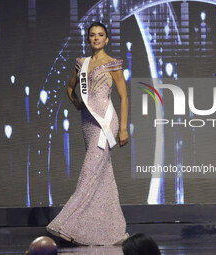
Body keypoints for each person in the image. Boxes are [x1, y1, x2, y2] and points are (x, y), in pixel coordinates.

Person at [46, 21, 129, 246]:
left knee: (89, 171)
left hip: (106, 122)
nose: (96, 38)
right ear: (88, 39)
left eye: (100, 35)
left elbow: (124, 96)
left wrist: (123, 127)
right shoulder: (81, 64)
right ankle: (114, 230)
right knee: (103, 177)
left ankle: (68, 224)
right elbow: (70, 88)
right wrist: (77, 104)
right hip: (88, 123)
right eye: (92, 35)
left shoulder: (113, 64)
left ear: (106, 39)